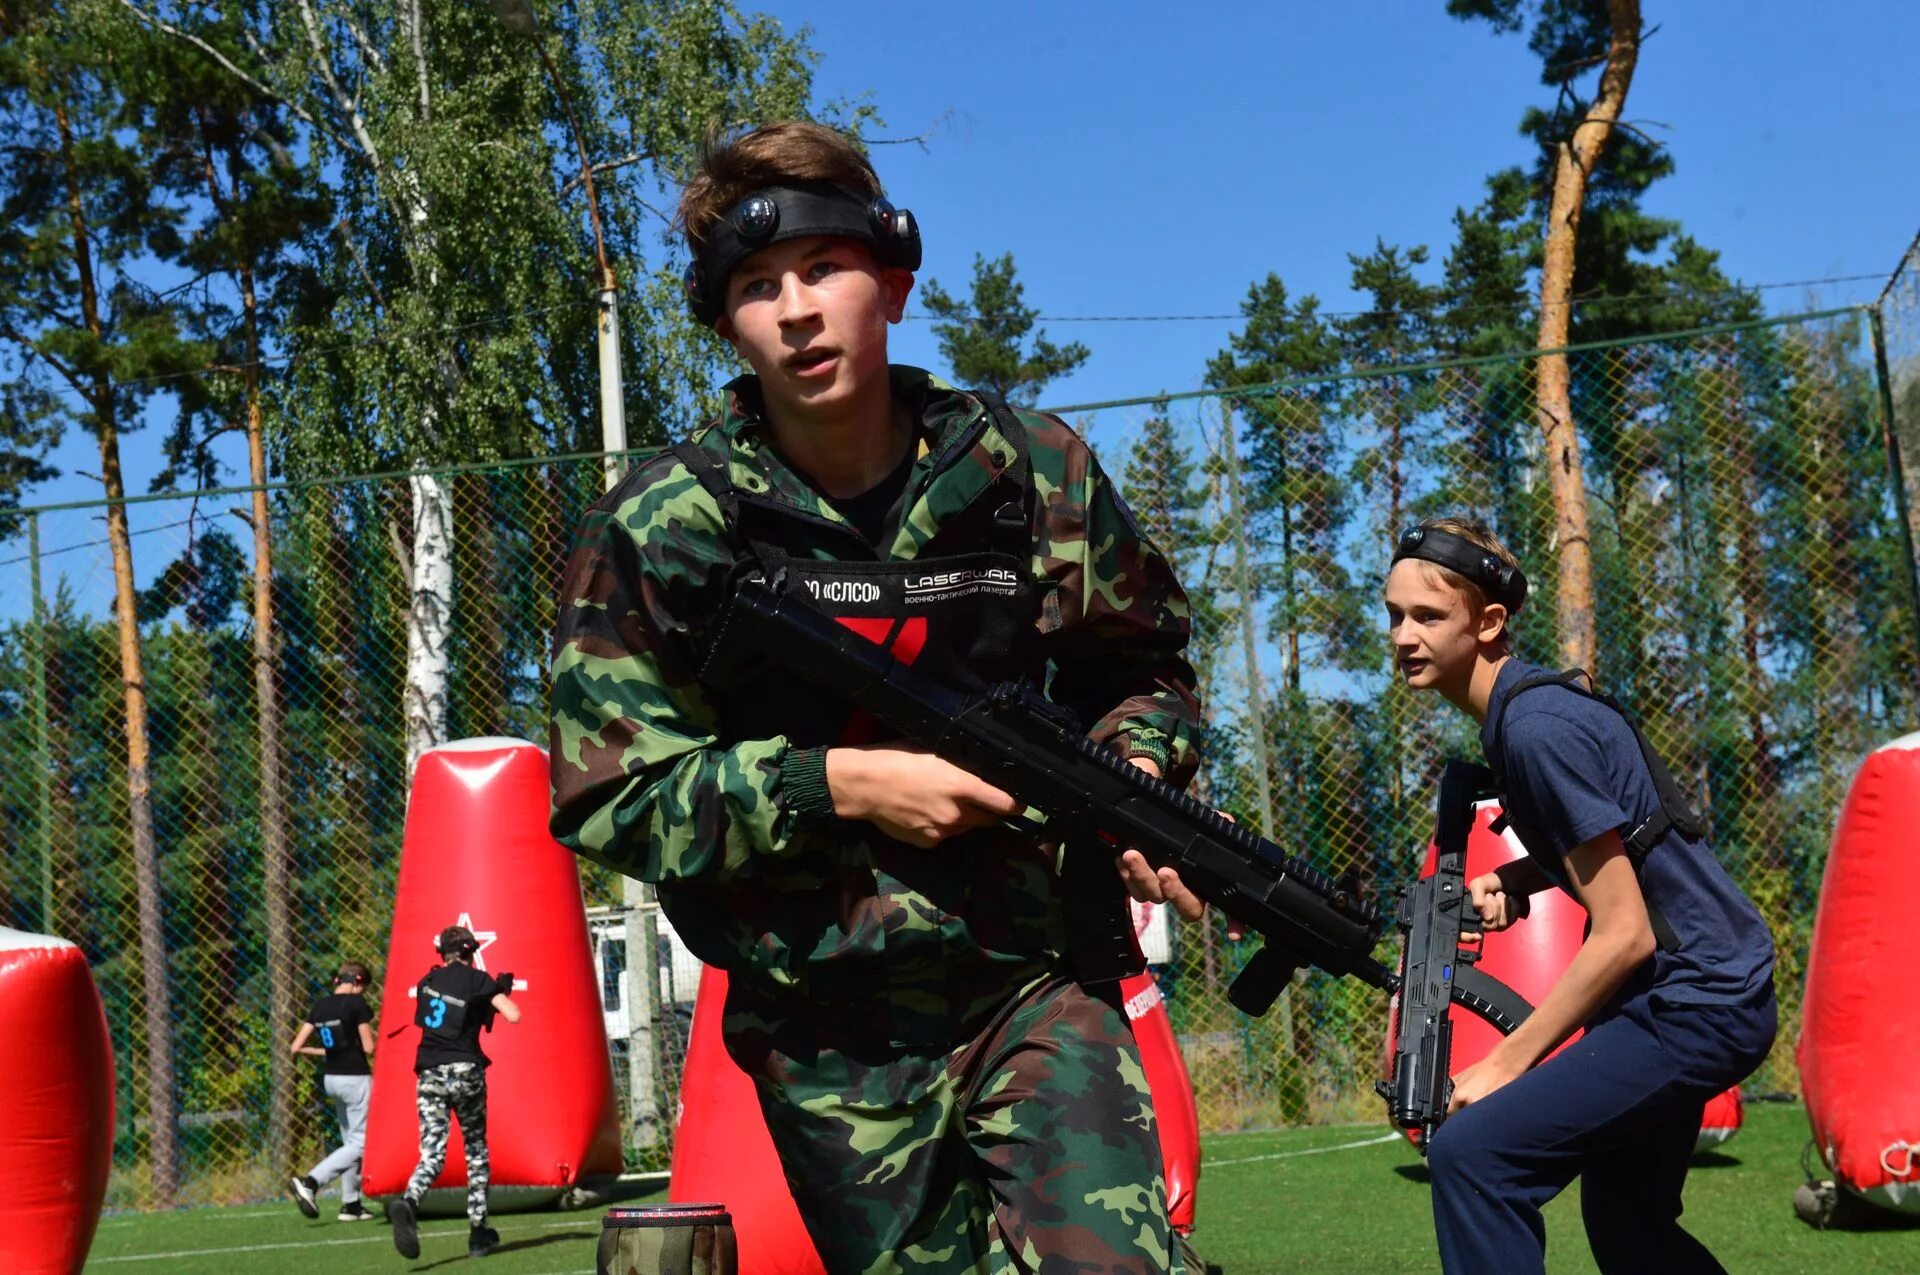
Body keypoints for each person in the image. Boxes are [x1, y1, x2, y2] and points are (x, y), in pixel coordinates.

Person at [549, 119, 1205, 1273]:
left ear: (892, 283)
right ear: (725, 324)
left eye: (824, 270)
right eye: (758, 287)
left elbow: (1140, 664)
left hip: (1034, 975)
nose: (797, 309)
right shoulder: (664, 526)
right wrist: (842, 784)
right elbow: (614, 795)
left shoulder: (1027, 469)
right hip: (825, 1023)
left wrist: (1136, 778)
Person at [1382, 515, 1778, 1274]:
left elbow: (1625, 931)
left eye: (1429, 616)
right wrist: (1520, 874)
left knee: (1473, 1158)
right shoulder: (1525, 714)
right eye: (1395, 614)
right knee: (1629, 1224)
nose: (1404, 635)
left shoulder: (1536, 730)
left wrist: (1507, 1063)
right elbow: (1625, 838)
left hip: (1695, 1002)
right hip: (1703, 989)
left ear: (1489, 621)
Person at [388, 925, 520, 1261]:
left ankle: (410, 1200)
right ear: (471, 950)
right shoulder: (478, 980)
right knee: (475, 1147)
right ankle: (478, 1232)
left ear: (442, 953)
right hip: (465, 1070)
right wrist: (493, 996)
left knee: (432, 1152)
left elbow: (445, 1019)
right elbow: (514, 1015)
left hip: (429, 1071)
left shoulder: (427, 983)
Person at [287, 961, 377, 1222]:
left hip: (332, 1079)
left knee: (349, 1142)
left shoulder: (320, 1006)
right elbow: (369, 1047)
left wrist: (328, 1052)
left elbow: (296, 1047)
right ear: (357, 981)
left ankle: (350, 1204)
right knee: (360, 1143)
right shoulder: (357, 1005)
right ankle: (311, 1182)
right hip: (355, 1078)